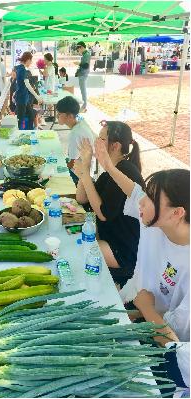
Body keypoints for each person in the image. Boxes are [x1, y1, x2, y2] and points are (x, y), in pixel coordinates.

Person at [95, 138, 190, 345]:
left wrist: (145, 309)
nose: (142, 202)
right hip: (133, 306)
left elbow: (175, 343)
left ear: (177, 213)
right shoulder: (158, 222)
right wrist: (108, 166)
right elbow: (133, 190)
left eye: (151, 198)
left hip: (158, 343)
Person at [75, 121, 145, 287]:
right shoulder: (111, 171)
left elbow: (102, 213)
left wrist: (84, 173)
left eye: (101, 139)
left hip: (123, 250)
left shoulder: (124, 172)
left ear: (115, 146)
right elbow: (82, 198)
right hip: (107, 237)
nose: (96, 142)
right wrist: (85, 165)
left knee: (76, 252)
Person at [56, 96, 96, 186]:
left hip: (80, 176)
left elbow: (72, 163)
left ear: (69, 116)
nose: (57, 116)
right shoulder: (81, 123)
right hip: (86, 168)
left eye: (59, 114)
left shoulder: (75, 133)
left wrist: (58, 169)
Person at [15, 51, 43, 130]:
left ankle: (34, 129)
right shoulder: (22, 69)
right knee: (21, 119)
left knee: (31, 115)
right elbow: (27, 84)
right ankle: (21, 133)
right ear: (27, 60)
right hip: (22, 98)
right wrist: (37, 97)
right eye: (31, 61)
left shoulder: (20, 68)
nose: (31, 63)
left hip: (24, 97)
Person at [74, 41, 91, 113]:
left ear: (81, 47)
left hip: (83, 74)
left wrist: (79, 63)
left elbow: (86, 66)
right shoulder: (85, 54)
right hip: (82, 74)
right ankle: (84, 107)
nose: (78, 50)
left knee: (83, 91)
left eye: (78, 49)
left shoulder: (86, 54)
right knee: (82, 90)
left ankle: (84, 106)